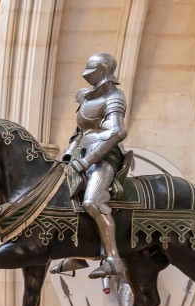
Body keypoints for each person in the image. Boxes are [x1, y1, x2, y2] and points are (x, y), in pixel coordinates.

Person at [63, 52, 128, 280]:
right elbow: (80, 133)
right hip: (81, 154)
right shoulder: (86, 98)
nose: (86, 73)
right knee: (63, 198)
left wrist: (89, 160)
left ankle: (113, 259)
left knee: (92, 201)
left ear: (103, 70)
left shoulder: (114, 97)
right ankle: (77, 252)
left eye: (92, 68)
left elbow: (117, 132)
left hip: (105, 156)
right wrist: (68, 155)